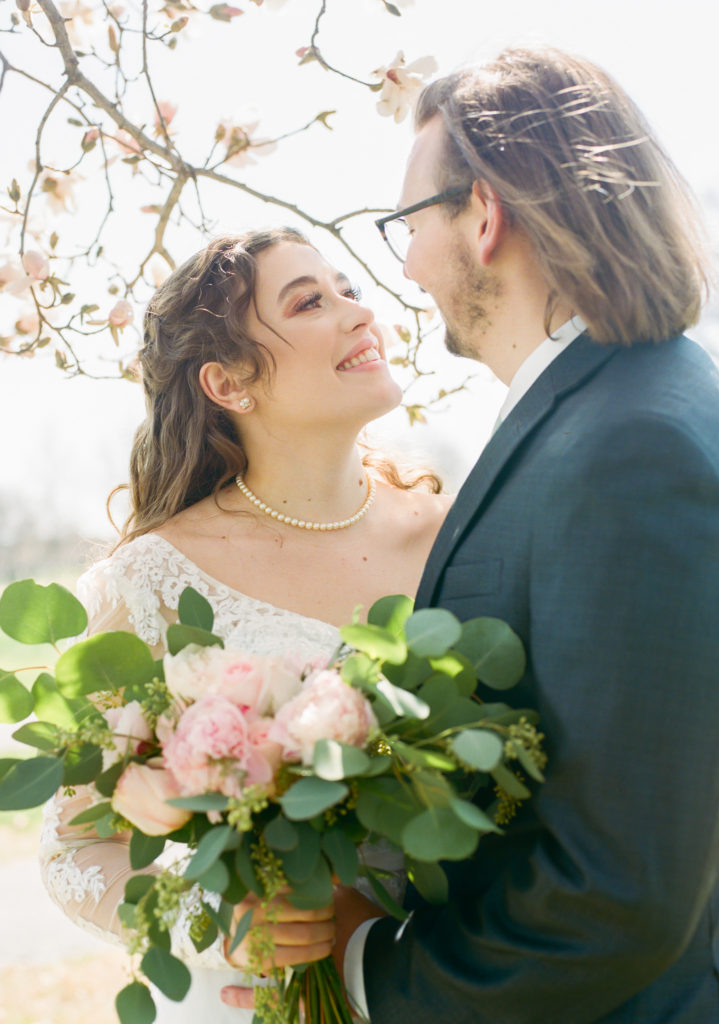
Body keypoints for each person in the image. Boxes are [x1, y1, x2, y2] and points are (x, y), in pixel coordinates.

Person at [234, 46, 719, 1023]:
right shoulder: (608, 409)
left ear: (483, 216)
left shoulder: (632, 447)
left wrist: (365, 973)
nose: (407, 269)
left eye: (405, 226)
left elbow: (615, 890)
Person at [38, 226, 452, 1023]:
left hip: (449, 984)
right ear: (229, 383)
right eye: (309, 302)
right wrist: (218, 923)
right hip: (253, 999)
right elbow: (72, 849)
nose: (357, 314)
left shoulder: (461, 535)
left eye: (347, 290)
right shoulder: (151, 581)